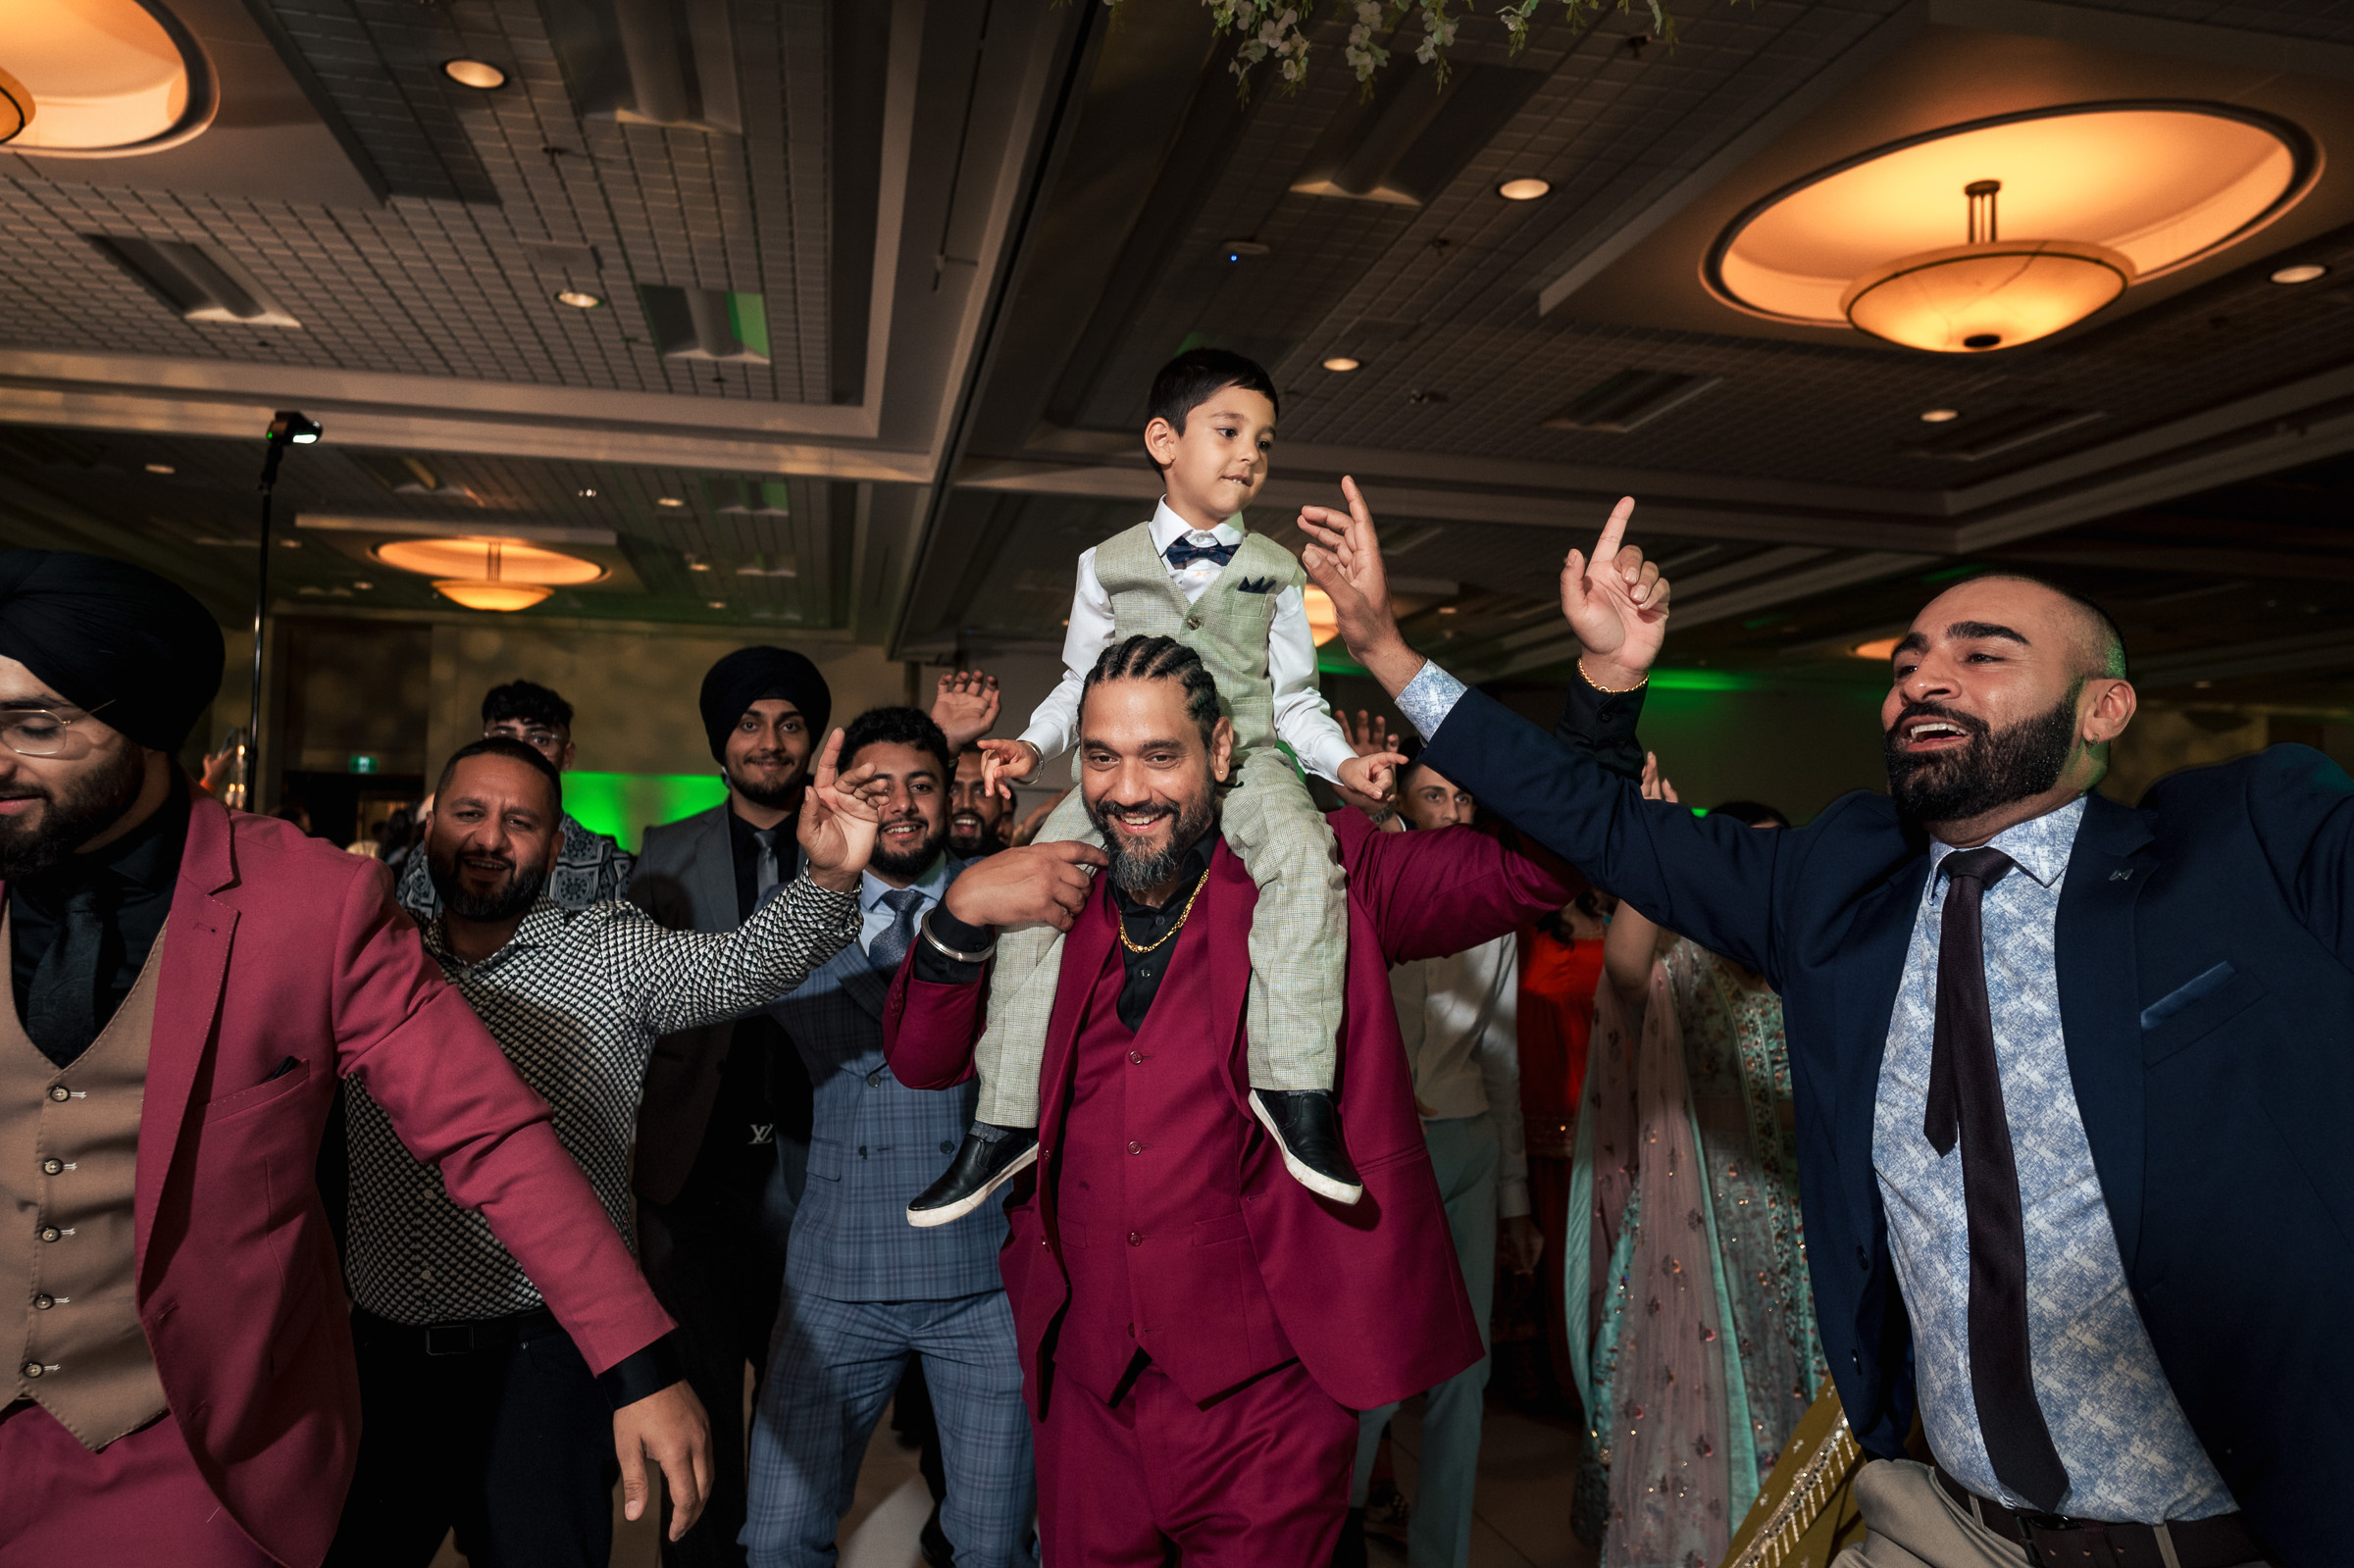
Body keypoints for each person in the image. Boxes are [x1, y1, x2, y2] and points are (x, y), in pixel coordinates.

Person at [1302, 481, 2313, 1568]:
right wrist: (1394, 650)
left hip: (2233, 1529)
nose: (1925, 675)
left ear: (2101, 708)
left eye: (1983, 654)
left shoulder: (2241, 854)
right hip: (1951, 1524)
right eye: (1909, 661)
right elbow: (1589, 822)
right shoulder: (1834, 888)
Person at [0, 549, 709, 1568]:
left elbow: (487, 1133)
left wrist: (635, 1361)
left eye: (38, 726)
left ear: (147, 722)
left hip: (184, 1453)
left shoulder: (312, 904)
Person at [884, 633, 1578, 1563]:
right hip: (1088, 1388)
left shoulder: (1331, 876)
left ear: (1219, 753)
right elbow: (923, 1061)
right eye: (1102, 757)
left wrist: (1588, 688)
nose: (1128, 790)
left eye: (1160, 755)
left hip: (1269, 1399)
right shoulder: (1045, 884)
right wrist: (961, 910)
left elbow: (1538, 870)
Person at [330, 733, 881, 1568]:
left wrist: (832, 876)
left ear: (556, 847)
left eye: (520, 822)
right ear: (429, 821)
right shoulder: (366, 956)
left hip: (541, 1363)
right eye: (469, 813)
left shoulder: (607, 950)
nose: (489, 838)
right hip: (375, 1364)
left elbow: (745, 966)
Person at [931, 348, 1406, 1224]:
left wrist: (1343, 764)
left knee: (1307, 859)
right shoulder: (1105, 561)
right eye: (1228, 432)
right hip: (1120, 761)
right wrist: (1033, 748)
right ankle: (1004, 1116)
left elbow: (1294, 697)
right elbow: (1077, 685)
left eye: (1263, 441)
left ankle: (1295, 1089)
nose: (1248, 456)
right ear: (1163, 439)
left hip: (1251, 758)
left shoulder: (1275, 568)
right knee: (1039, 875)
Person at [742, 707, 1031, 1568]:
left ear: (952, 798)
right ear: (841, 798)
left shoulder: (1010, 899)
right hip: (834, 1274)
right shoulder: (797, 912)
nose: (901, 804)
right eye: (877, 786)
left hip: (984, 1279)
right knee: (779, 1535)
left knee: (993, 1545)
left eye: (922, 785)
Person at [1568, 764, 1826, 1567]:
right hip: (1697, 1252)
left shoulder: (1813, 980)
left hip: (1809, 1239)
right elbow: (1621, 968)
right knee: (1708, 1437)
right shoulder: (1680, 979)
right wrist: (1655, 845)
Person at [627, 645, 836, 1567]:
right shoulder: (665, 852)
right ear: (722, 742)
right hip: (693, 1167)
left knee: (801, 1406)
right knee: (699, 1405)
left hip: (814, 1161)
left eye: (790, 723)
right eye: (750, 723)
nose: (770, 741)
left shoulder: (850, 849)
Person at [1339, 748, 1550, 1568]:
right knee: (1377, 1371)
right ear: (1403, 807)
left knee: (1467, 1370)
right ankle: (1334, 1535)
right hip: (1380, 1154)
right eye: (1436, 795)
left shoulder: (1490, 912)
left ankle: (1442, 1555)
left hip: (1466, 1144)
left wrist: (1516, 1201)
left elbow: (1499, 1056)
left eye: (1466, 797)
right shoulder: (1359, 897)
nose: (1455, 812)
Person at [397, 679, 633, 920]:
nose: (520, 749)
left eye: (540, 739)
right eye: (503, 735)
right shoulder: (434, 850)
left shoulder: (605, 864)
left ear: (568, 755)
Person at [1513, 885, 1609, 1413]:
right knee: (1560, 1264)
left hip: (1612, 1112)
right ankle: (1572, 1386)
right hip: (1547, 1117)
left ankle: (1610, 1382)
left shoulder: (1616, 923)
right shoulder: (1521, 929)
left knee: (1610, 1256)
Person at [947, 746, 1009, 858]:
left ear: (1001, 800)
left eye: (982, 791)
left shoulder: (1021, 869)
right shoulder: (910, 871)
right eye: (952, 790)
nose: (966, 804)